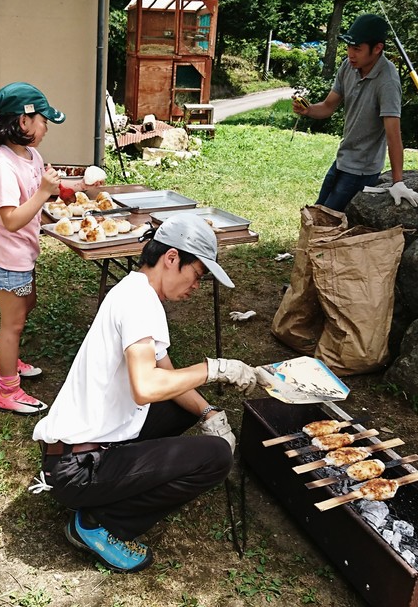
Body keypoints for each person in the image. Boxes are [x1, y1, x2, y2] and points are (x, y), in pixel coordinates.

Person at [32, 213, 258, 573]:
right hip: (77, 469)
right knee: (215, 457)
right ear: (171, 258)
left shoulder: (133, 290)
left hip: (71, 454)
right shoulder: (140, 303)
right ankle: (98, 523)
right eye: (197, 274)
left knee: (187, 403)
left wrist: (209, 414)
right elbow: (146, 387)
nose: (196, 286)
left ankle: (108, 488)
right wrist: (217, 369)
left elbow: (166, 375)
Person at [0, 81, 66, 415]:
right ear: (24, 121)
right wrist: (44, 193)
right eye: (44, 121)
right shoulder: (2, 165)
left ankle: (7, 358)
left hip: (22, 254)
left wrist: (72, 188)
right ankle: (8, 389)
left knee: (29, 302)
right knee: (11, 325)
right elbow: (11, 219)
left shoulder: (30, 155)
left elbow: (40, 187)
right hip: (6, 256)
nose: (46, 128)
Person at [292, 13, 418, 211]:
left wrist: (398, 182)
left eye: (357, 49)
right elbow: (328, 106)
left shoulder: (387, 81)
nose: (350, 54)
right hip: (342, 159)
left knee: (329, 220)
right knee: (318, 212)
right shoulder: (348, 66)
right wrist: (308, 109)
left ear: (378, 48)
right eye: (348, 47)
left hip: (362, 170)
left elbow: (393, 135)